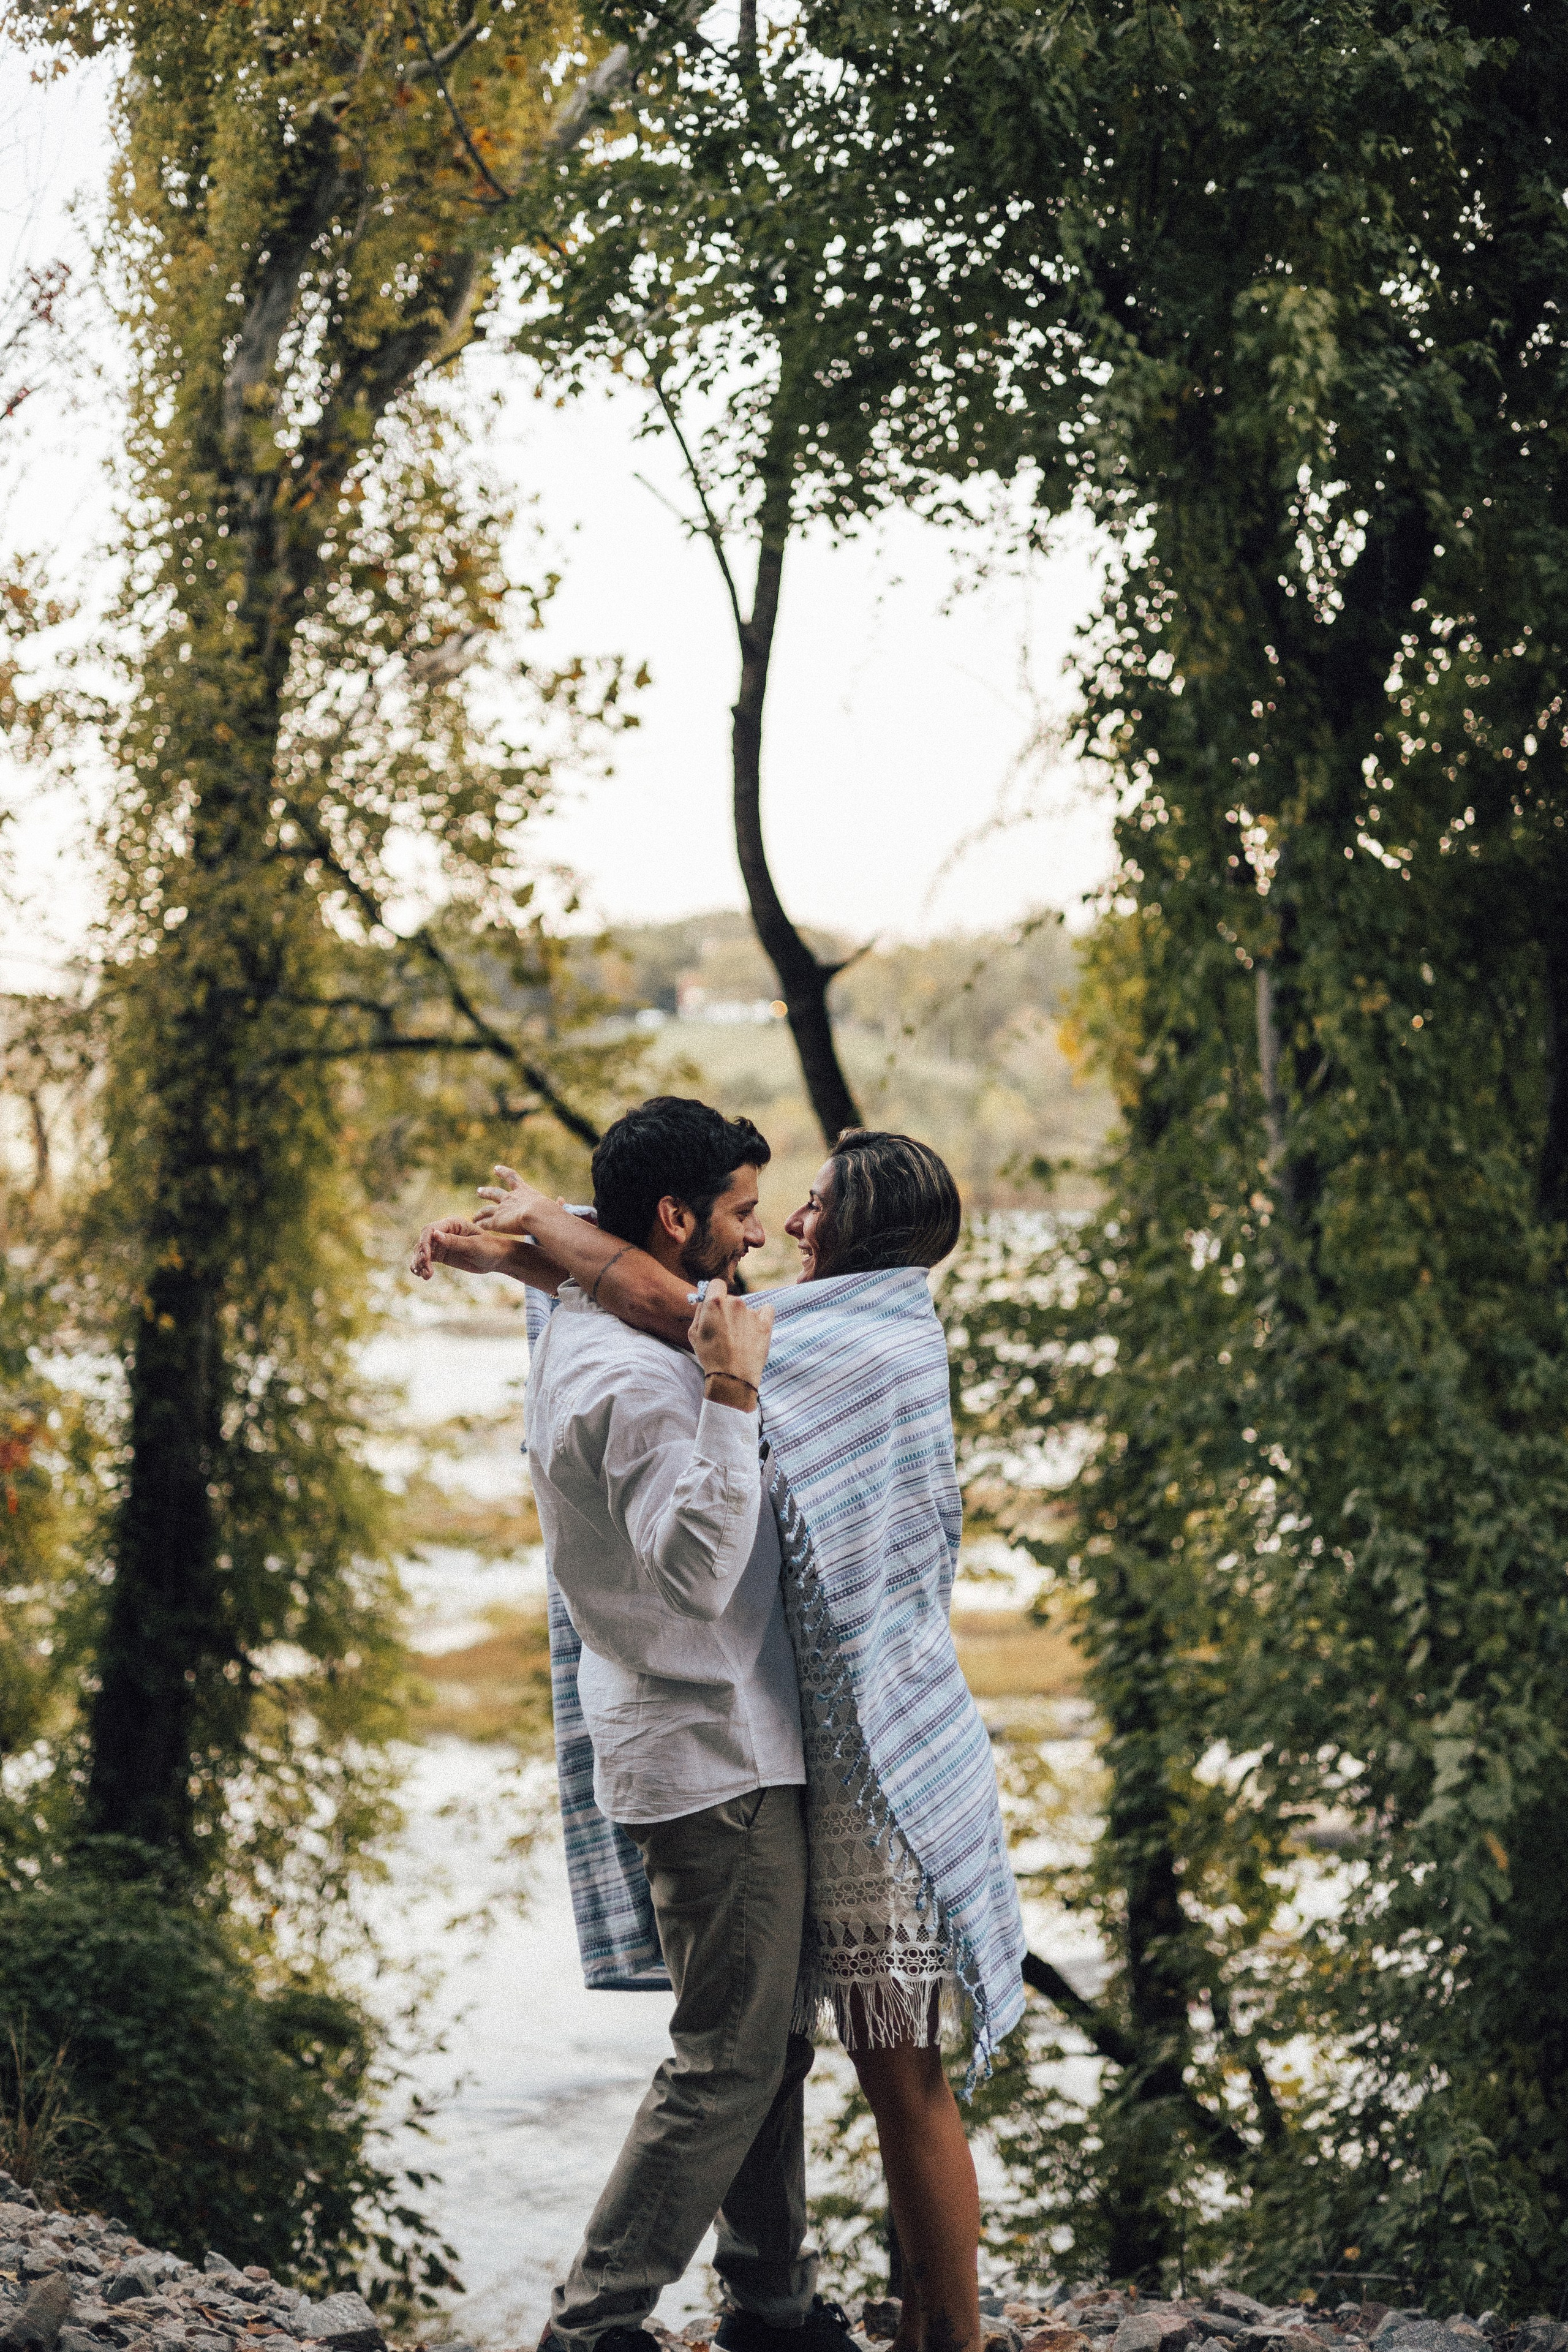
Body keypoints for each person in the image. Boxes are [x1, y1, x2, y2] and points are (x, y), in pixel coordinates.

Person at [416, 1118, 1026, 2352]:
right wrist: (539, 1252)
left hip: (864, 1764)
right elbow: (662, 1316)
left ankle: (864, 2323)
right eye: (762, 1204)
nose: (781, 1229)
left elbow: (654, 1295)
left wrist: (534, 1237)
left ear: (865, 1233)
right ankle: (679, 2317)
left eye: (806, 1206)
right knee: (753, 2059)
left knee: (840, 2070)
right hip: (754, 1757)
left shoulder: (855, 1335)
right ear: (684, 1212)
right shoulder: (689, 1361)